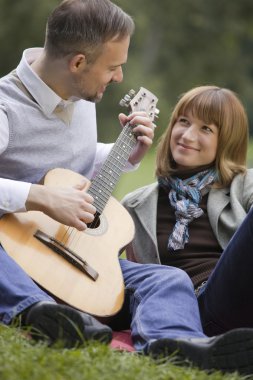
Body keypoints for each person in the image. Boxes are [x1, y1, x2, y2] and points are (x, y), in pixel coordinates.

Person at [0, 0, 155, 347]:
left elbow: (71, 163)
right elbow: (48, 189)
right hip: (14, 253)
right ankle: (41, 313)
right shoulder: (5, 107)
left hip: (74, 251)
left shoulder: (81, 93)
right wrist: (39, 196)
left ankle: (176, 343)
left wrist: (124, 154)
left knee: (165, 281)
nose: (119, 78)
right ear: (78, 63)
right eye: (113, 67)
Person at [119, 85, 253, 375]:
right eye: (183, 121)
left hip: (231, 298)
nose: (188, 136)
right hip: (176, 311)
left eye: (206, 128)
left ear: (226, 141)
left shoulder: (244, 184)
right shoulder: (135, 204)